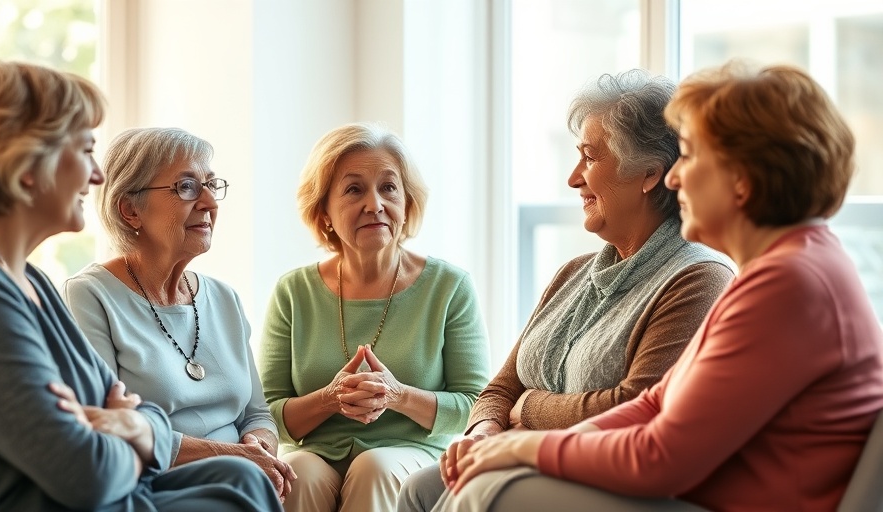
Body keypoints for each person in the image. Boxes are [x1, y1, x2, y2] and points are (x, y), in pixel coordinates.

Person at [437, 63, 883, 512]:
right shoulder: (784, 267)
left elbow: (658, 457)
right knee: (461, 484)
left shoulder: (790, 282)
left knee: (487, 492)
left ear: (741, 179)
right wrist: (518, 443)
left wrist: (523, 448)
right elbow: (656, 402)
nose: (673, 177)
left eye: (688, 156)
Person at [0, 60, 281, 512]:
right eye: (85, 151)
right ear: (26, 163)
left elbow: (122, 410)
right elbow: (85, 474)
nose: (97, 175)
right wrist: (138, 432)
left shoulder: (26, 278)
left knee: (241, 478)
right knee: (240, 486)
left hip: (110, 496)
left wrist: (135, 425)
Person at [397, 69, 736, 512]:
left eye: (590, 158)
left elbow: (635, 408)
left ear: (650, 174)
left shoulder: (697, 278)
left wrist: (530, 408)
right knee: (420, 487)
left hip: (609, 481)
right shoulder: (573, 273)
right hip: (530, 458)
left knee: (470, 495)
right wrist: (483, 433)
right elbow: (502, 387)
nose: (574, 179)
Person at [259, 122, 491, 512]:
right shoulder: (293, 292)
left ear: (407, 203)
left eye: (388, 188)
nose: (375, 204)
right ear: (324, 211)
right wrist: (330, 399)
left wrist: (397, 395)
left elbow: (475, 405)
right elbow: (267, 414)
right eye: (354, 190)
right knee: (297, 472)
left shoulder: (450, 287)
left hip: (410, 454)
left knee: (373, 468)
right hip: (315, 452)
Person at [62, 127, 296, 501]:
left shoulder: (224, 298)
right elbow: (106, 426)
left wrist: (260, 449)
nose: (209, 202)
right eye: (186, 187)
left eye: (211, 184)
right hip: (155, 485)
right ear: (130, 210)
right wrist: (235, 458)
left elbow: (257, 414)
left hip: (240, 481)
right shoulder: (89, 295)